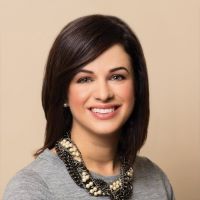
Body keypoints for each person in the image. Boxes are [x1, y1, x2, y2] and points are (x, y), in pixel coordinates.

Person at [3, 14, 175, 200]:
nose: (103, 94)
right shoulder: (31, 188)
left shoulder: (156, 180)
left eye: (117, 77)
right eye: (85, 79)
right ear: (63, 93)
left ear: (137, 87)